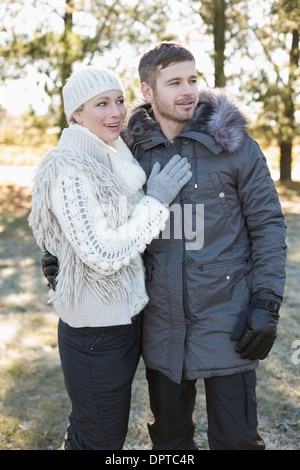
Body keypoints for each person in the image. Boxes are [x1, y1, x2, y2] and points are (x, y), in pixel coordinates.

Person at [42, 43, 287, 450]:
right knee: (170, 441)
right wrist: (58, 255)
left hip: (230, 319)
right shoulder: (125, 153)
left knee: (238, 440)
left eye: (192, 79)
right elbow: (91, 216)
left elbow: (267, 224)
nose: (188, 90)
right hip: (161, 324)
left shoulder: (236, 146)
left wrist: (266, 300)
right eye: (174, 82)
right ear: (148, 92)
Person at [28, 65, 192, 450]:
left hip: (125, 319)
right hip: (94, 334)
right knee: (100, 440)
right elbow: (102, 253)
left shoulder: (113, 155)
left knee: (92, 429)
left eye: (119, 100)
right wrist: (157, 200)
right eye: (101, 103)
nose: (115, 112)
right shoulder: (70, 168)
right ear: (77, 115)